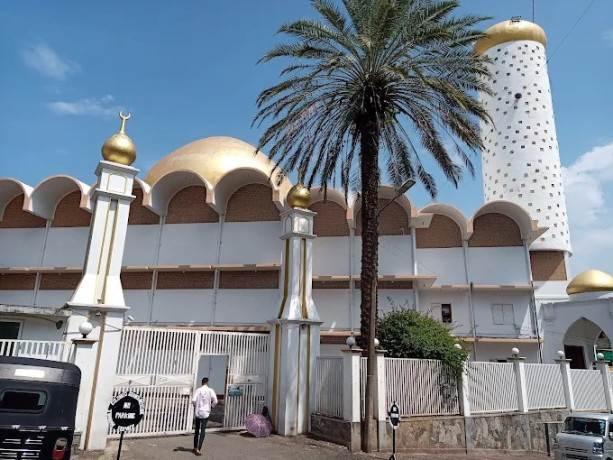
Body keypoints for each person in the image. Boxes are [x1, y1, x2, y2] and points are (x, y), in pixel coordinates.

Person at [192, 377, 218, 456]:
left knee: (196, 430)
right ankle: (199, 449)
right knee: (202, 431)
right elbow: (215, 401)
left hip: (198, 412)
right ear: (207, 383)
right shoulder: (210, 390)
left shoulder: (198, 390)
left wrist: (195, 406)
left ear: (202, 383)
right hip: (206, 413)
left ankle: (195, 447)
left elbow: (193, 400)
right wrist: (211, 407)